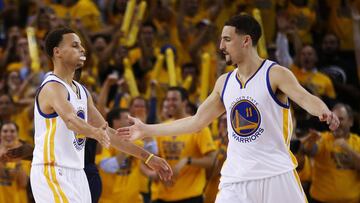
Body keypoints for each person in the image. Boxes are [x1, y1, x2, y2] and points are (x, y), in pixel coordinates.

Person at [117, 14, 340, 203]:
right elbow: (196, 121)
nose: (221, 46)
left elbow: (305, 97)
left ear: (245, 41)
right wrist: (147, 129)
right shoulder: (224, 83)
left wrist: (323, 111)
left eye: (226, 40)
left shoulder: (275, 74)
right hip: (236, 177)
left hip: (276, 172)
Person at [30, 27, 172, 203]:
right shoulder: (52, 87)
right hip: (52, 170)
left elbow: (110, 133)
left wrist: (148, 157)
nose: (82, 49)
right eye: (75, 45)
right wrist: (94, 132)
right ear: (57, 52)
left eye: (81, 45)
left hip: (77, 172)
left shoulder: (82, 92)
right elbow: (70, 120)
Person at [302, 103, 360, 203]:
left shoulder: (358, 142)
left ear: (350, 121)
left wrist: (347, 148)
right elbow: (310, 151)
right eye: (334, 119)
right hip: (320, 201)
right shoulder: (323, 138)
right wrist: (310, 142)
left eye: (341, 119)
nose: (337, 122)